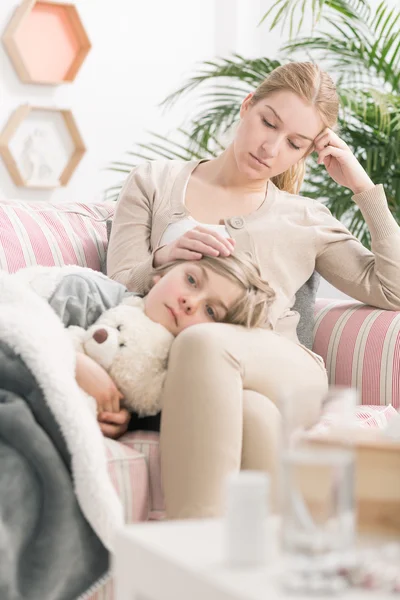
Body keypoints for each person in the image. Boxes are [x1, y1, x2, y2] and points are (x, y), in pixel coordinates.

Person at [104, 61, 400, 519]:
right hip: (191, 378)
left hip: (285, 368)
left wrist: (363, 189)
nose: (270, 147)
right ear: (247, 106)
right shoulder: (153, 181)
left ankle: (187, 557)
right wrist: (164, 258)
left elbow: (392, 290)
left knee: (206, 341)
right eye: (268, 123)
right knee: (254, 417)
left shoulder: (306, 217)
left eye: (294, 143)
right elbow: (118, 283)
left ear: (305, 153)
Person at [49, 254, 275, 427]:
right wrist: (73, 362)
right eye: (191, 280)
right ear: (163, 273)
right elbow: (20, 333)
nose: (190, 302)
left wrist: (123, 419)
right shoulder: (84, 292)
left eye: (210, 311)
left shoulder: (169, 376)